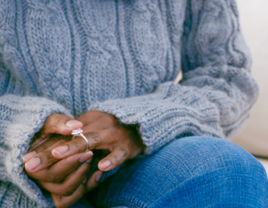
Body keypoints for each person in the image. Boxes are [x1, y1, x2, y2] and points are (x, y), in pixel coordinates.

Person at [0, 0, 267, 207]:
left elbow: (227, 75)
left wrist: (136, 122)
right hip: (10, 179)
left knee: (227, 173)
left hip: (146, 163)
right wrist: (20, 136)